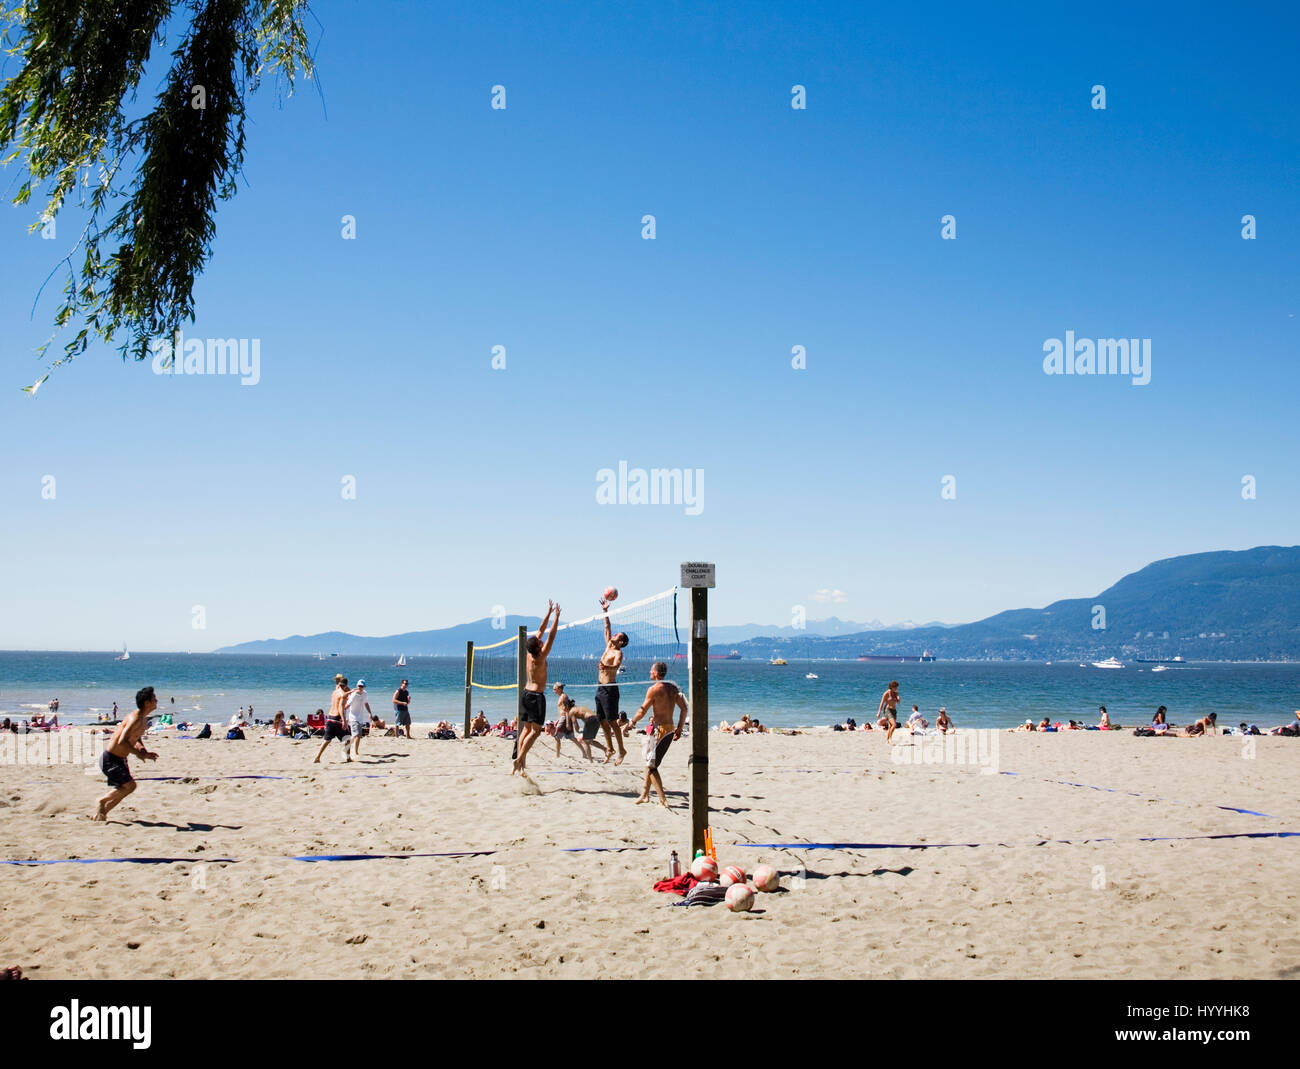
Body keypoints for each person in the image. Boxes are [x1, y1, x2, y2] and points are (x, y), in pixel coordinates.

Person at [93, 686, 159, 820]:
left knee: (126, 789)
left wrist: (142, 750)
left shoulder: (143, 719)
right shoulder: (134, 718)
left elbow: (135, 737)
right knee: (130, 786)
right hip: (110, 759)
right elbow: (122, 740)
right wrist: (138, 754)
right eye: (154, 699)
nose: (157, 701)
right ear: (147, 703)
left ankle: (101, 814)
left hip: (120, 760)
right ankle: (101, 801)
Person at [628, 662, 688, 807]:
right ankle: (645, 794)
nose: (649, 671)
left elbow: (642, 711)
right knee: (649, 763)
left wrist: (631, 723)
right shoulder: (673, 688)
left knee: (651, 766)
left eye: (651, 670)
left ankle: (663, 799)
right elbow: (684, 708)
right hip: (669, 729)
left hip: (660, 731)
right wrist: (679, 728)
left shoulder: (654, 689)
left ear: (655, 673)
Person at [513, 601, 560, 774]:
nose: (541, 640)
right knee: (536, 732)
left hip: (526, 693)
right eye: (540, 641)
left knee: (526, 729)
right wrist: (557, 616)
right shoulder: (540, 657)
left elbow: (541, 629)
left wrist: (547, 612)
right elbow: (552, 635)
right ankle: (519, 759)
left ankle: (521, 761)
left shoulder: (529, 653)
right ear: (539, 646)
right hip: (537, 696)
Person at [595, 596, 629, 765]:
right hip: (600, 687)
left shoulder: (618, 653)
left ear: (621, 641)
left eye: (617, 635)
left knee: (612, 721)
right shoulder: (609, 645)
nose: (614, 635)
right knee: (601, 720)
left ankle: (622, 750)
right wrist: (605, 611)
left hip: (610, 689)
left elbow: (615, 667)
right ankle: (610, 748)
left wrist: (604, 666)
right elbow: (607, 627)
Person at [314, 675, 352, 763]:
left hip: (329, 717)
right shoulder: (343, 695)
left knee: (327, 740)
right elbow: (341, 708)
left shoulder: (334, 692)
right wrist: (344, 720)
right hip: (337, 719)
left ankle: (317, 757)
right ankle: (348, 758)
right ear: (346, 685)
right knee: (348, 739)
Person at [345, 680, 373, 759]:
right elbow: (348, 705)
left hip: (360, 717)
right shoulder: (353, 695)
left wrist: (370, 713)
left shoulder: (365, 693)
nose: (360, 688)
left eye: (362, 686)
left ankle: (355, 750)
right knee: (356, 735)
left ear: (364, 687)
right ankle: (348, 747)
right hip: (353, 717)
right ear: (357, 686)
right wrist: (342, 713)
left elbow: (366, 703)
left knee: (359, 736)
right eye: (359, 686)